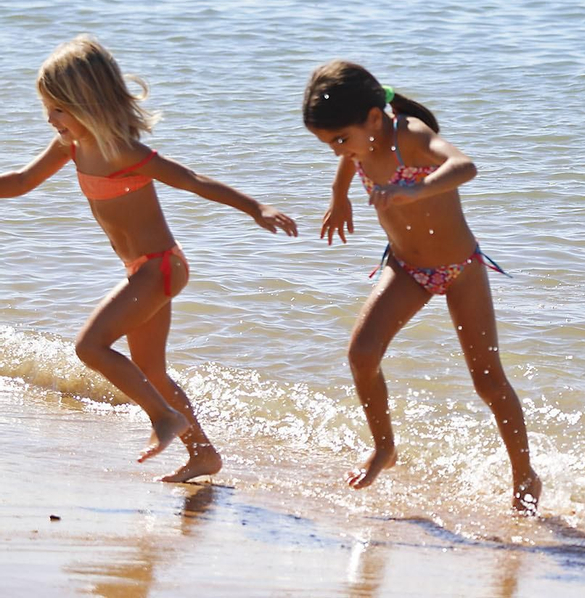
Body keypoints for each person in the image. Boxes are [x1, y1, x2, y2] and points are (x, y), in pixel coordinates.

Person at [0, 35, 297, 480]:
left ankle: (163, 419)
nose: (50, 118)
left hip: (160, 267)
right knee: (152, 371)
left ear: (88, 102)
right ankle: (203, 454)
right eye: (48, 107)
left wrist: (255, 207)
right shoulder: (72, 147)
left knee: (90, 347)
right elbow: (22, 182)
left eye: (59, 108)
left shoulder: (126, 153)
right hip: (141, 270)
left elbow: (193, 180)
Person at [304, 62, 541, 513]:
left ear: (374, 117)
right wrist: (339, 197)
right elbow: (351, 159)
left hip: (460, 268)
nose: (338, 152)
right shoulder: (358, 145)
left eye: (340, 139)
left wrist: (416, 191)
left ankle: (525, 475)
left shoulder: (408, 135)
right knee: (361, 354)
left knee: (488, 382)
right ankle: (384, 447)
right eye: (329, 144)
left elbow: (464, 166)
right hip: (406, 267)